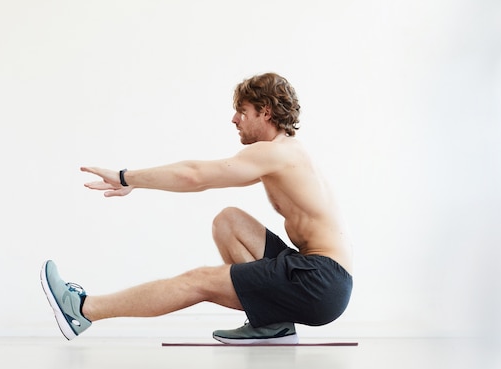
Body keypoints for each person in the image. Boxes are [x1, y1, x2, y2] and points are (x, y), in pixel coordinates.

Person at [40, 73, 353, 344]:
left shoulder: (275, 154)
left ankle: (82, 309)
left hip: (320, 281)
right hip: (321, 276)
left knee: (199, 280)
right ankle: (272, 324)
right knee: (229, 221)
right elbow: (202, 178)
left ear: (266, 112)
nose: (234, 120)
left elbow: (195, 175)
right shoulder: (286, 153)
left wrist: (126, 176)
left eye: (242, 112)